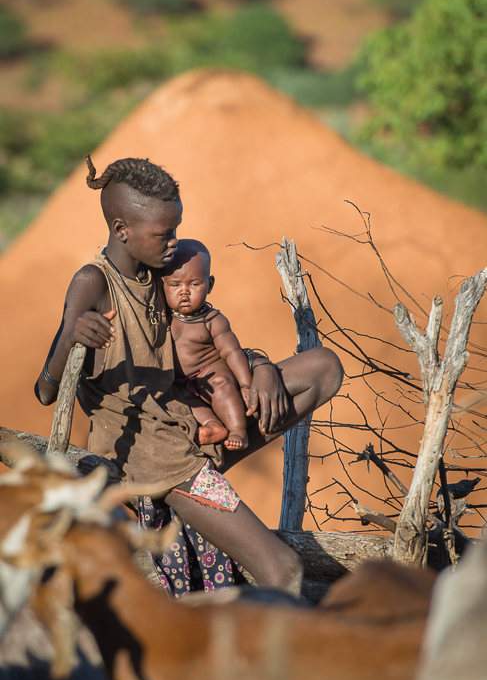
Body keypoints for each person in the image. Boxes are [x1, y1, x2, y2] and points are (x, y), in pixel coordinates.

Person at [35, 154, 343, 598]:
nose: (173, 242)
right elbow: (45, 391)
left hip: (197, 421)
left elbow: (209, 340)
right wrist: (72, 339)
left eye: (176, 230)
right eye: (165, 233)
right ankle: (271, 663)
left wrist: (259, 368)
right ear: (122, 230)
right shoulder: (93, 282)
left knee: (323, 369)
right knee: (282, 568)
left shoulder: (162, 276)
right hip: (153, 457)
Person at [162, 238, 252, 451]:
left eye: (194, 284)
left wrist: (246, 385)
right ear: (162, 286)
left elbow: (232, 352)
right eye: (175, 285)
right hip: (178, 381)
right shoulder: (161, 317)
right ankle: (213, 427)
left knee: (222, 386)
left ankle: (239, 429)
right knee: (179, 401)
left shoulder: (212, 320)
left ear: (209, 284)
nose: (184, 291)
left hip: (208, 373)